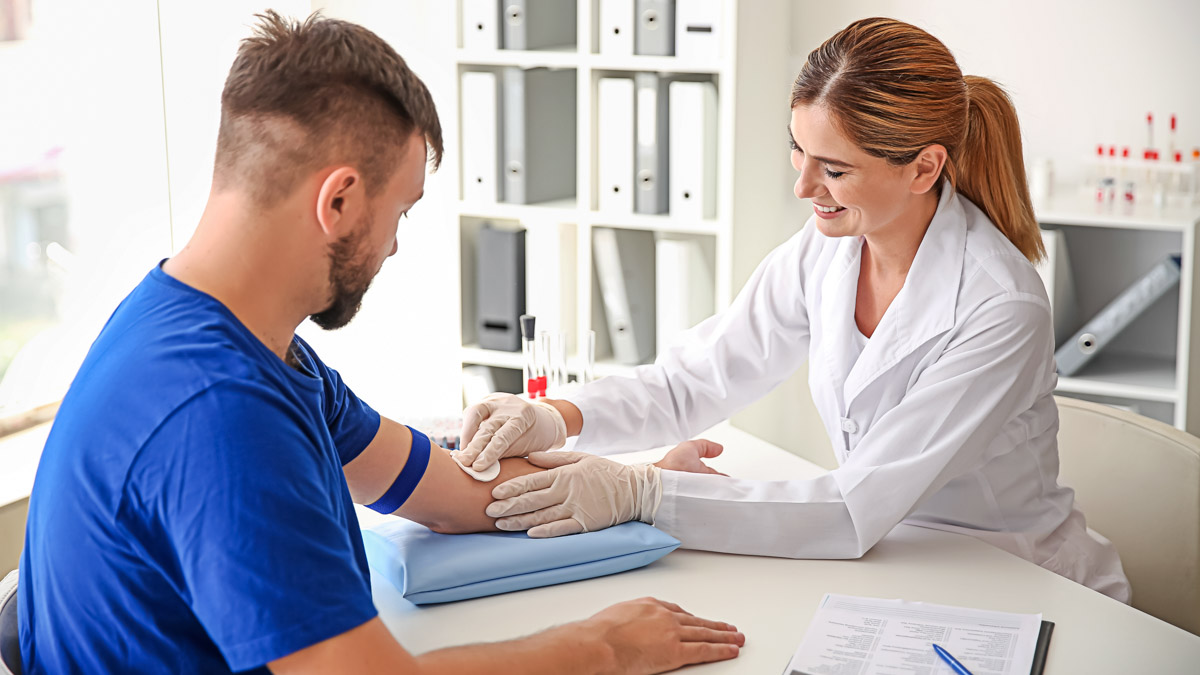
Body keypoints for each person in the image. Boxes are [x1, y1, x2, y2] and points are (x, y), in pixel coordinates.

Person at [17, 12, 744, 674]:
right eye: (400, 210)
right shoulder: (221, 412)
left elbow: (451, 494)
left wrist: (640, 484)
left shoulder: (233, 340)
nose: (396, 244)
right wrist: (603, 646)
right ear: (337, 200)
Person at [458, 16, 1131, 603]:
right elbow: (698, 377)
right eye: (797, 149)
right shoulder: (829, 245)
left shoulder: (999, 306)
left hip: (1006, 577)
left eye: (834, 168)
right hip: (891, 562)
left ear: (924, 168)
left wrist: (643, 493)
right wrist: (555, 415)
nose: (805, 185)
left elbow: (849, 507)